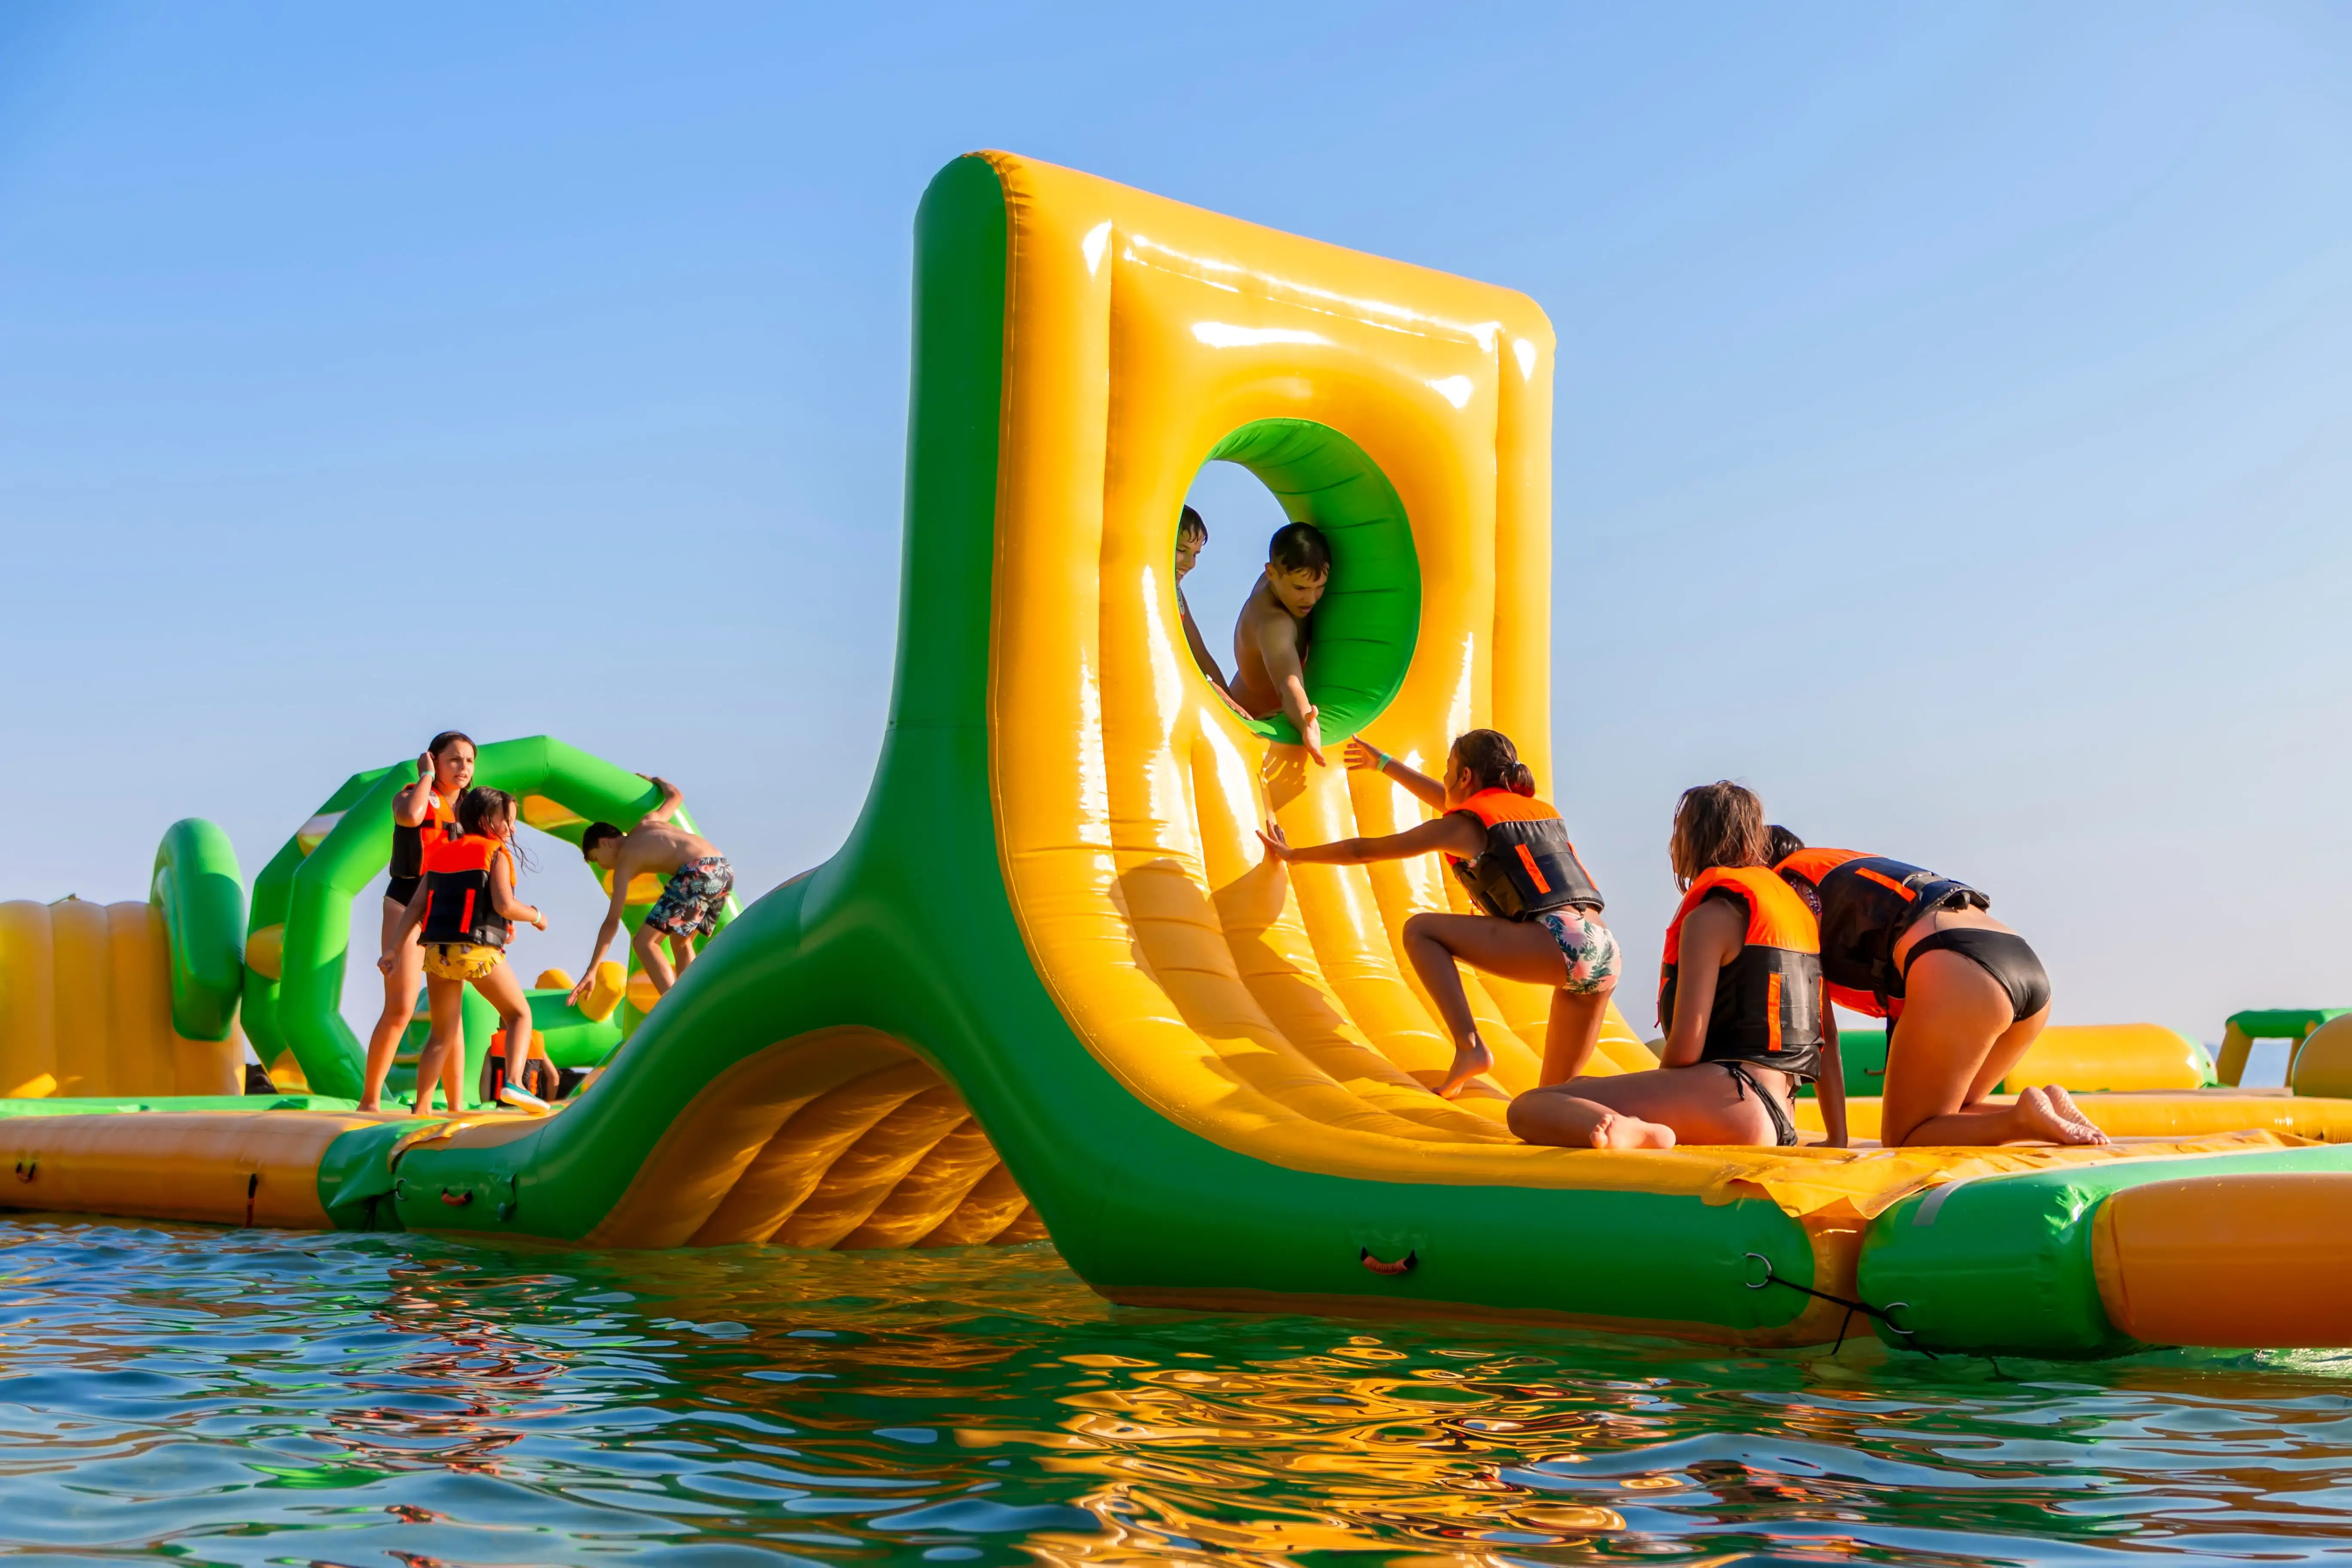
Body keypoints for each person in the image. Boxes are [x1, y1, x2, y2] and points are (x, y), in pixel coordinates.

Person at [1256, 729, 1627, 1106]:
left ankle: (1470, 1046)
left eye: (1450, 769)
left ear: (1466, 776)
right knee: (1550, 1102)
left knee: (1421, 931)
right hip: (1606, 951)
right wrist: (1384, 765)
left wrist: (1294, 855)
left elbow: (1362, 850)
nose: (1446, 777)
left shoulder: (1464, 825)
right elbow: (1448, 802)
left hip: (1558, 940)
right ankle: (1617, 1119)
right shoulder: (1535, 811)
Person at [1511, 782, 1843, 1150]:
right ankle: (1634, 1125)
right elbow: (1825, 1036)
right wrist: (1837, 1138)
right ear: (1753, 841)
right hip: (1783, 1112)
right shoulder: (1796, 917)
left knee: (1532, 1105)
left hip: (1734, 1101)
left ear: (1687, 844)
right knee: (1577, 1091)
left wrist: (1662, 1100)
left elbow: (1686, 1047)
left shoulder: (1711, 918)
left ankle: (1644, 1131)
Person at [1772, 829, 2102, 1148]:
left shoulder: (1789, 893)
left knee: (1906, 1135)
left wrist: (1837, 1138)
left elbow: (1823, 1031)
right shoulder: (1846, 868)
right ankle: (2048, 1109)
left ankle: (2021, 1119)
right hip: (2022, 963)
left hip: (1960, 969)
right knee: (1948, 1115)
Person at [382, 787, 545, 1117]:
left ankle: (422, 1109)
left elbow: (415, 908)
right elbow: (504, 904)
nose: (512, 829)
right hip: (477, 952)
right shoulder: (495, 852)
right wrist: (536, 916)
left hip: (438, 954)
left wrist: (393, 950)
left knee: (441, 1035)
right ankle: (514, 1082)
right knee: (519, 1015)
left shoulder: (442, 853)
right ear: (486, 820)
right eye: (508, 821)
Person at [358, 731, 474, 1112]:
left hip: (448, 910)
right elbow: (411, 818)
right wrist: (424, 776)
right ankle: (370, 1101)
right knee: (402, 1006)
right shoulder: (411, 794)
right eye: (454, 760)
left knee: (450, 1016)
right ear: (434, 760)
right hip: (406, 901)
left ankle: (457, 1104)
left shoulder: (472, 809)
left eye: (469, 761)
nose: (463, 768)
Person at [568, 776, 734, 1008]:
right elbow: (676, 796)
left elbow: (612, 922)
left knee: (644, 943)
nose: (603, 866)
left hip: (698, 872)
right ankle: (693, 1000)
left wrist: (592, 970)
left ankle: (674, 1005)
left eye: (597, 859)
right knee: (682, 943)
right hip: (723, 871)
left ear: (605, 843)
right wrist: (655, 781)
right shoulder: (650, 822)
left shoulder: (626, 860)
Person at [1227, 521, 1332, 765]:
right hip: (1251, 721)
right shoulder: (1274, 622)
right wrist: (1307, 722)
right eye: (1301, 588)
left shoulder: (1284, 576)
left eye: (1320, 588)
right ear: (1271, 573)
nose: (1311, 598)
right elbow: (1289, 684)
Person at [1173, 506, 1246, 712]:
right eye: (1181, 550)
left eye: (1196, 554)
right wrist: (1212, 689)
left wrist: (1236, 713)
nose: (1190, 563)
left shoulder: (1175, 591)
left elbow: (1200, 654)